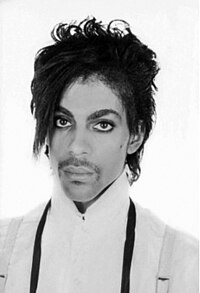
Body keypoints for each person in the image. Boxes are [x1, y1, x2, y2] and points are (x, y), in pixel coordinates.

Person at [0, 17, 198, 293]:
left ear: (136, 135)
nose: (76, 146)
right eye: (62, 121)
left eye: (102, 125)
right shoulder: (4, 253)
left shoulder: (184, 265)